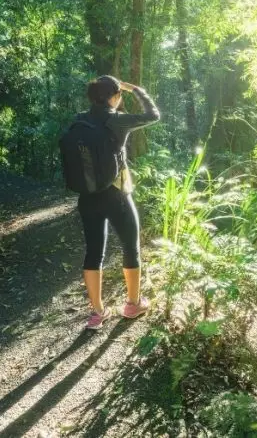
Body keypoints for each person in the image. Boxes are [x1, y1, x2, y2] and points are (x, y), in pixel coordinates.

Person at [77, 74, 160, 329]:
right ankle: (133, 304)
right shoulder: (118, 120)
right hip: (116, 194)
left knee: (94, 252)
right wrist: (137, 89)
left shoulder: (79, 120)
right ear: (115, 96)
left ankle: (97, 312)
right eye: (119, 94)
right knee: (130, 246)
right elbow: (153, 114)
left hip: (87, 196)